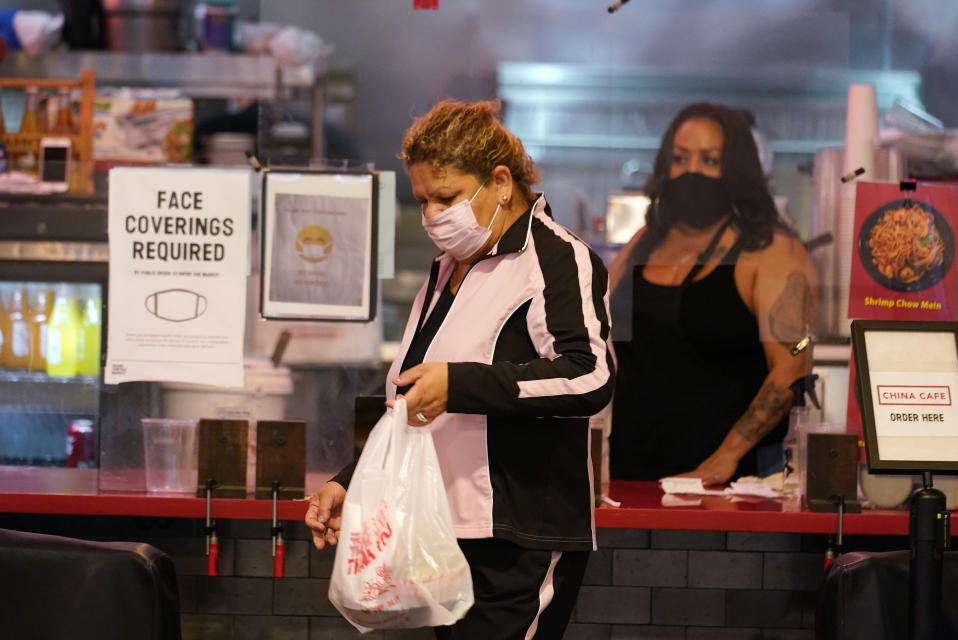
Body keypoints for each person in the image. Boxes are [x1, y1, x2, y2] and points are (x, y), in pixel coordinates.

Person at [305, 99, 614, 639]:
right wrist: (350, 482)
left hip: (520, 537)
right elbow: (415, 403)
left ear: (500, 182)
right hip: (445, 534)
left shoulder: (556, 258)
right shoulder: (445, 272)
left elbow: (590, 374)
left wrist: (460, 383)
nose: (431, 216)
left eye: (444, 197)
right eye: (422, 200)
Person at [607, 102, 816, 485]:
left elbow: (792, 365)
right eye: (681, 158)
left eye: (710, 160)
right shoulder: (643, 243)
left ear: (736, 170)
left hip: (724, 483)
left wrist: (727, 456)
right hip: (625, 475)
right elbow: (597, 335)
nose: (692, 172)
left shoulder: (771, 252)